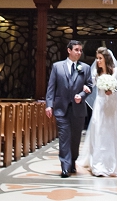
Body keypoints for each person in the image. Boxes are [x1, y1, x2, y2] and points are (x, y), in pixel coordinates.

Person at [45, 40, 94, 178]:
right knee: (64, 137)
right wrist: (49, 105)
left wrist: (83, 94)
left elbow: (90, 86)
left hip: (78, 109)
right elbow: (51, 87)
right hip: (61, 109)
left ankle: (72, 161)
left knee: (75, 138)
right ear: (69, 50)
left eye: (80, 50)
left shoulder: (85, 68)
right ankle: (65, 167)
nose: (79, 52)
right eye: (76, 50)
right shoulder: (57, 67)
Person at [77, 47, 117, 176]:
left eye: (100, 58)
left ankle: (113, 162)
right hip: (100, 104)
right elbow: (91, 85)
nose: (98, 61)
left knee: (112, 131)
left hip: (112, 105)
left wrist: (113, 90)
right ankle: (98, 162)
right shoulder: (96, 73)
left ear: (106, 59)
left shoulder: (115, 71)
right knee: (99, 131)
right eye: (97, 58)